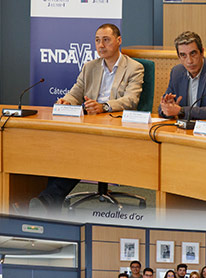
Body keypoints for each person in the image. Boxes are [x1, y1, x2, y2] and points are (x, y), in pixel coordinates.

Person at [30, 24, 144, 213]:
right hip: (89, 124)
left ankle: (49, 201)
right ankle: (48, 200)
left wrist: (104, 106)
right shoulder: (90, 66)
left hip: (117, 127)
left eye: (106, 40)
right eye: (97, 40)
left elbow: (131, 100)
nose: (101, 45)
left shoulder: (134, 67)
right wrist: (66, 101)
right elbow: (76, 92)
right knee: (59, 147)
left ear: (119, 41)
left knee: (78, 151)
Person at [159, 31, 206, 120]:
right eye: (183, 55)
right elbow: (161, 108)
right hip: (184, 129)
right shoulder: (176, 72)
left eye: (193, 53)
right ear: (179, 57)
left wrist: (180, 111)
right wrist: (169, 108)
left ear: (202, 52)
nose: (189, 61)